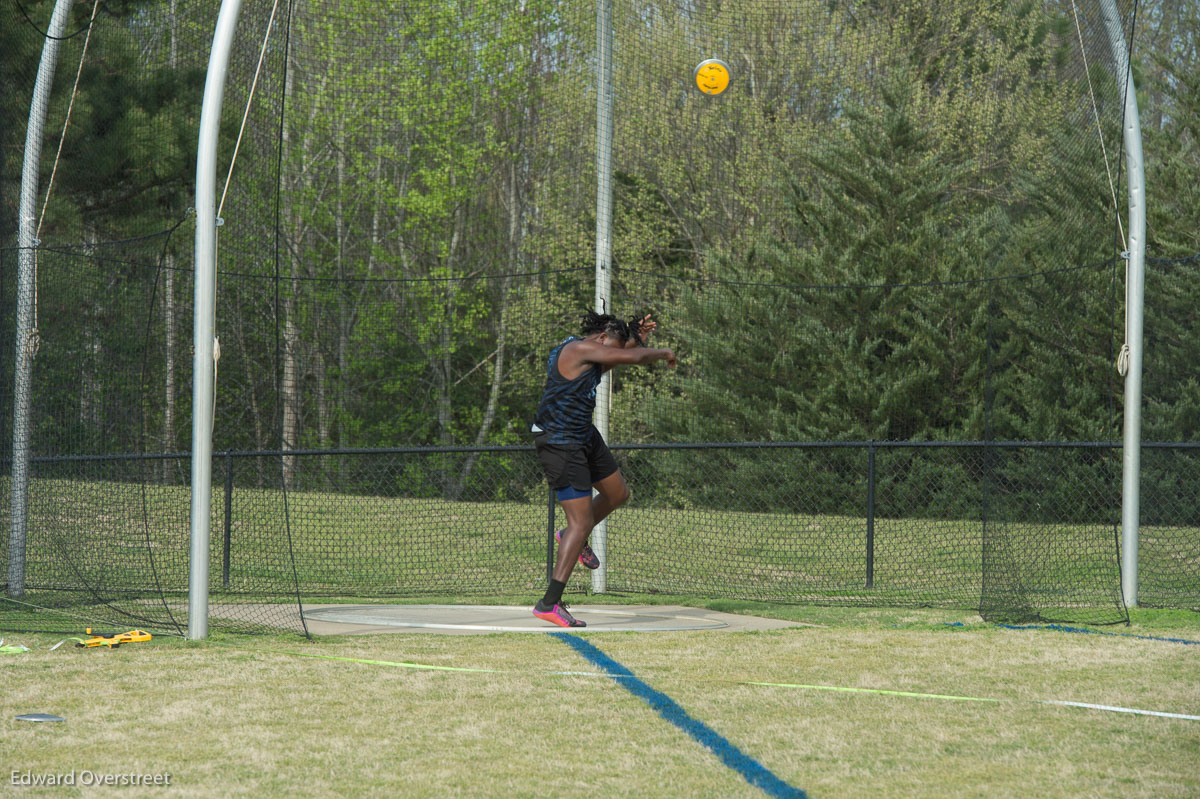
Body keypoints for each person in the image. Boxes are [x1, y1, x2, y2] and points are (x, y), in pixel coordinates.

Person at [530, 311, 677, 628]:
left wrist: (636, 338)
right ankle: (549, 603)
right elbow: (632, 359)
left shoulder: (595, 356)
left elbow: (623, 354)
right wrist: (661, 352)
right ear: (601, 339)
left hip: (583, 435)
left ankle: (570, 536)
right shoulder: (577, 350)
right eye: (615, 345)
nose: (617, 352)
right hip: (560, 441)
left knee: (617, 493)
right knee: (581, 522)